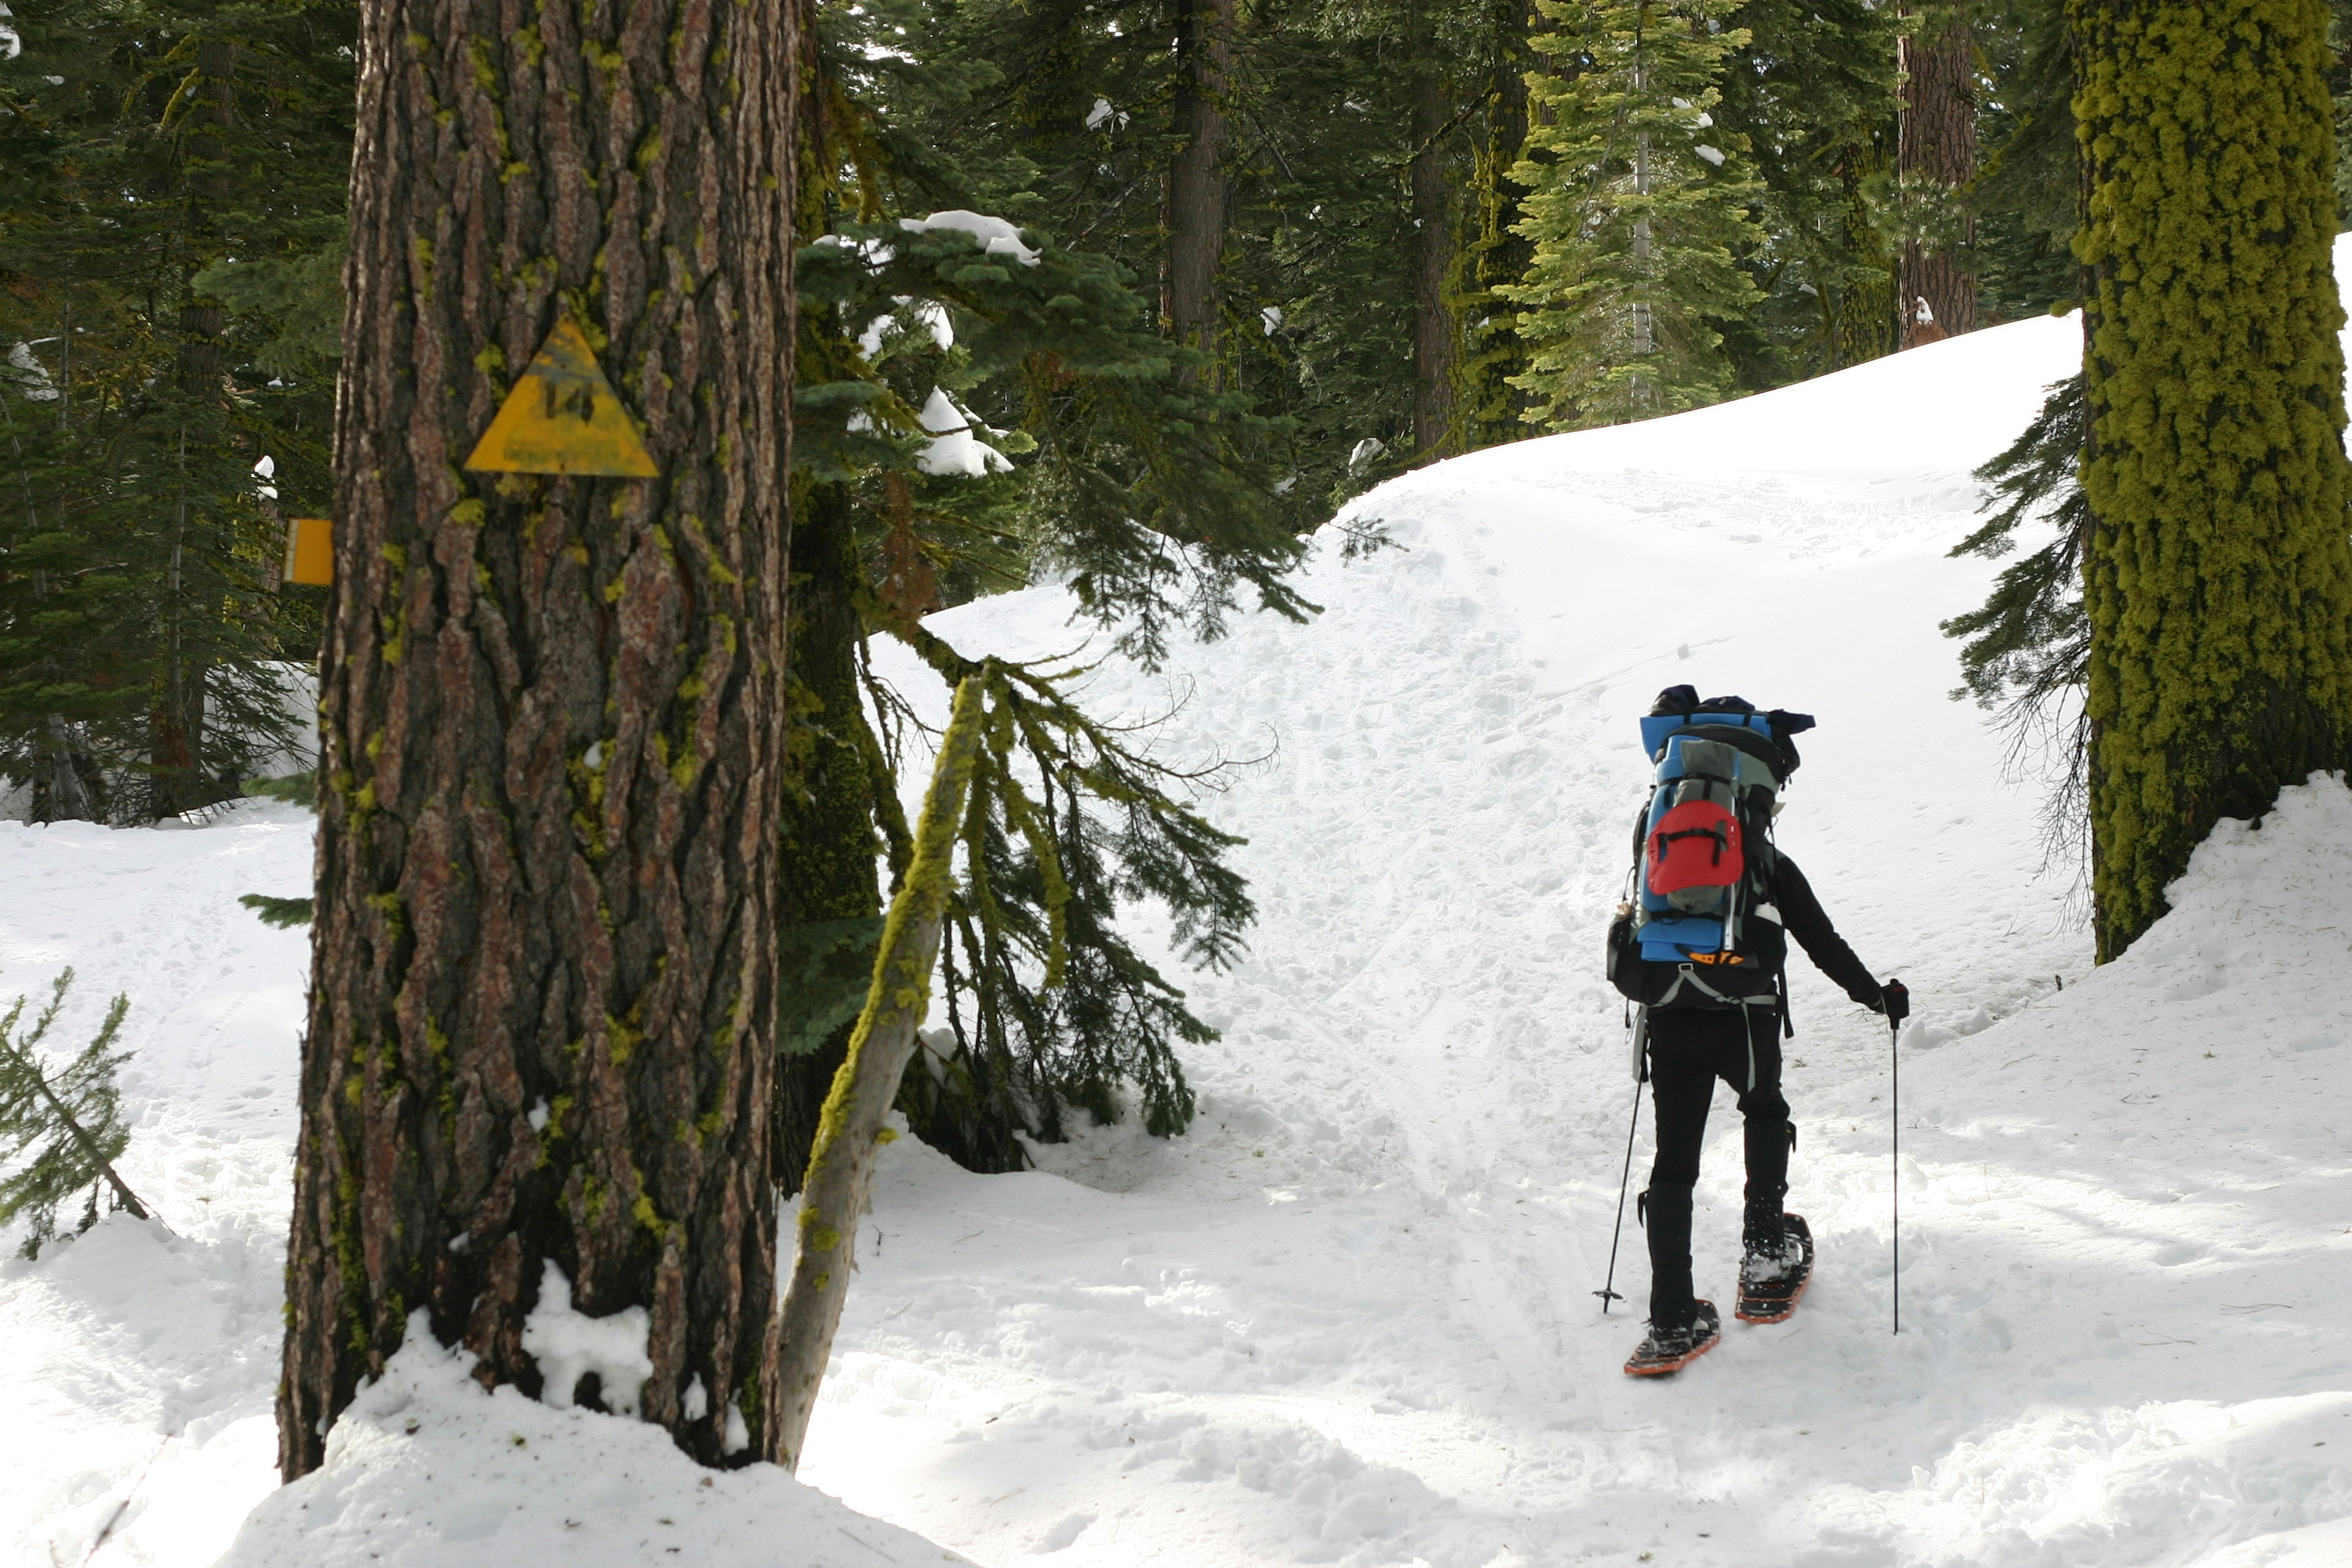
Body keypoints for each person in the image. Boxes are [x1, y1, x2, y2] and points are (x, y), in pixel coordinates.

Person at [1612, 689, 1893, 1376]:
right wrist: (1878, 997)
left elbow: (1630, 937)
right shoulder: (1764, 863)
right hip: (1746, 1014)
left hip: (1670, 1014)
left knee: (1673, 1165)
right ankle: (1766, 1257)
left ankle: (1672, 1319)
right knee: (1763, 1110)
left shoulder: (1654, 847)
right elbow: (1822, 942)